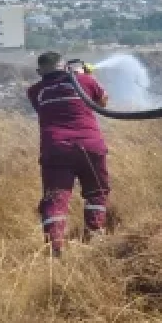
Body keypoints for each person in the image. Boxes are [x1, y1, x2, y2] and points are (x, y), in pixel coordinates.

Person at [26, 51, 112, 256]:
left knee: (55, 199)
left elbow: (48, 110)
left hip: (56, 149)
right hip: (91, 146)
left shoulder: (35, 91)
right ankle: (96, 239)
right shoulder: (85, 80)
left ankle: (55, 249)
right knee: (96, 193)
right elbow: (102, 103)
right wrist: (85, 76)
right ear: (65, 67)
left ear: (39, 72)